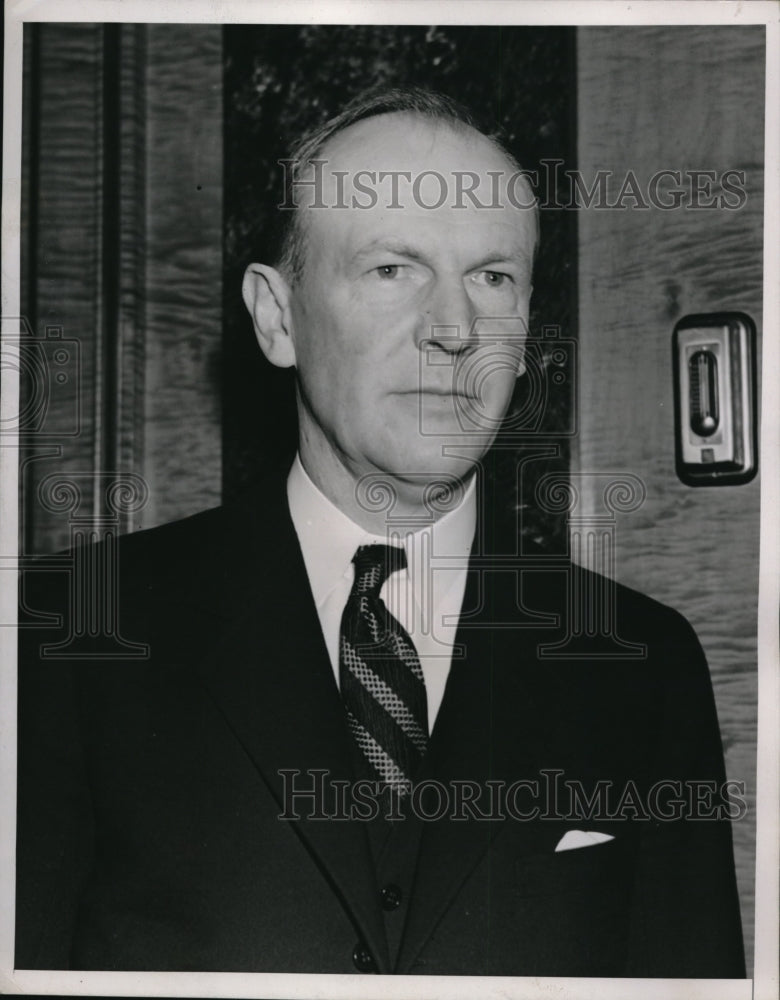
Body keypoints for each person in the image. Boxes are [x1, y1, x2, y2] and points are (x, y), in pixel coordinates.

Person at [16, 87, 745, 978]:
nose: (454, 329)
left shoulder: (644, 664)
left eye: (492, 276)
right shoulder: (65, 638)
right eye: (392, 268)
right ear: (277, 318)